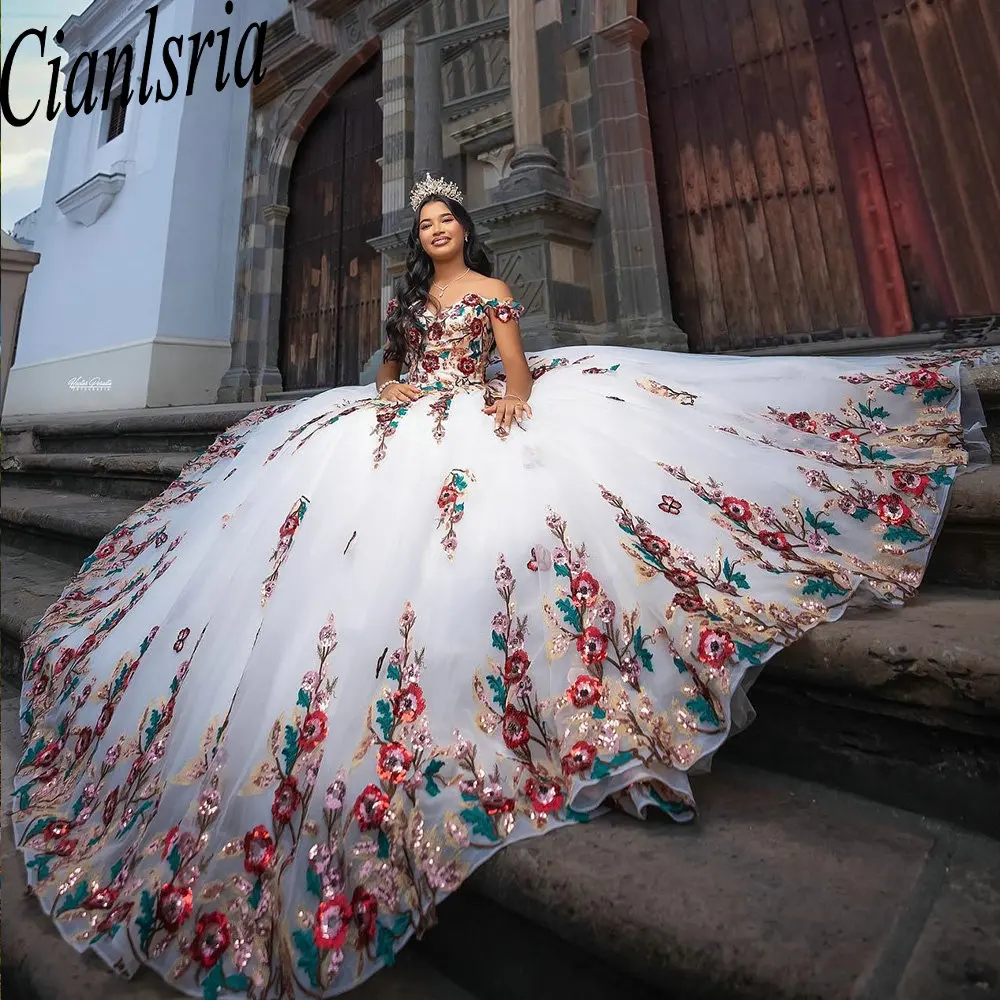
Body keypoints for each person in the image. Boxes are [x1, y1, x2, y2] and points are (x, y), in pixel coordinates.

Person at [11, 173, 996, 998]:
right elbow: (395, 370)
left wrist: (493, 408)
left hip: (477, 412)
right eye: (426, 223)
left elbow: (516, 377)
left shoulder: (489, 294)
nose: (437, 232)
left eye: (448, 221)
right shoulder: (407, 307)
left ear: (465, 234)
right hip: (400, 419)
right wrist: (400, 394)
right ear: (418, 240)